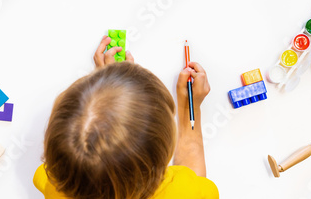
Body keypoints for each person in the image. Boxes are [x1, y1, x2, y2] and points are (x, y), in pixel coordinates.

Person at [33, 35, 219, 199]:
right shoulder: (186, 194)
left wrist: (106, 85)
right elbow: (193, 177)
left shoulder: (52, 182)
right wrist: (188, 109)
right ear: (164, 154)